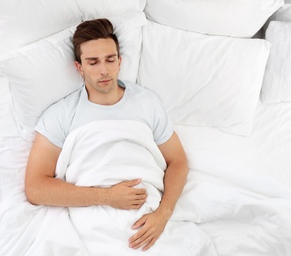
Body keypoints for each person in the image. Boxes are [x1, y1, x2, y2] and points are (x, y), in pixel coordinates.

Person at [24, 18, 188, 251]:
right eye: (93, 62)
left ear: (119, 62)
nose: (104, 70)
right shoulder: (60, 115)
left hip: (150, 213)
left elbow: (178, 161)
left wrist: (164, 213)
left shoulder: (146, 102)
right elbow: (35, 188)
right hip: (96, 218)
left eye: (110, 60)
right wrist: (107, 197)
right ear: (79, 67)